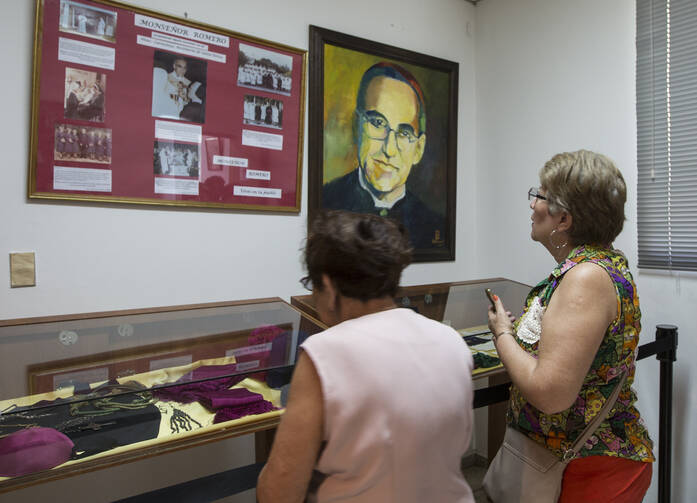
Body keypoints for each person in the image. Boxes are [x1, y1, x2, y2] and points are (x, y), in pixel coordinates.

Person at [257, 211, 475, 503]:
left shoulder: (324, 354)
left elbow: (280, 490)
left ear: (330, 287)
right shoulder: (451, 341)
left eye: (313, 286)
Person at [486, 150, 654, 502]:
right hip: (571, 461)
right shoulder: (597, 263)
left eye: (541, 196)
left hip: (588, 467)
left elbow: (551, 393)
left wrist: (502, 334)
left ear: (564, 219)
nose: (532, 205)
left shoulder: (586, 277)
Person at [321, 62, 444, 249]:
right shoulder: (325, 201)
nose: (389, 149)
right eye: (378, 123)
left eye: (404, 133)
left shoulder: (434, 224)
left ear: (418, 149)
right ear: (357, 127)